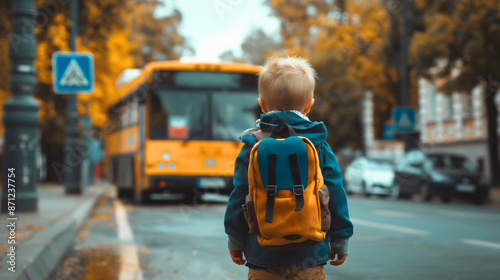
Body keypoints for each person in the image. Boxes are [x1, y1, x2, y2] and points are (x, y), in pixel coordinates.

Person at [224, 56, 353, 279]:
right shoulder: (317, 143)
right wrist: (340, 239)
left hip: (262, 253)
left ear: (262, 104)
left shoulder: (252, 144)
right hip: (311, 254)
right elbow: (334, 191)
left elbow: (240, 193)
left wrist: (236, 239)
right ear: (309, 105)